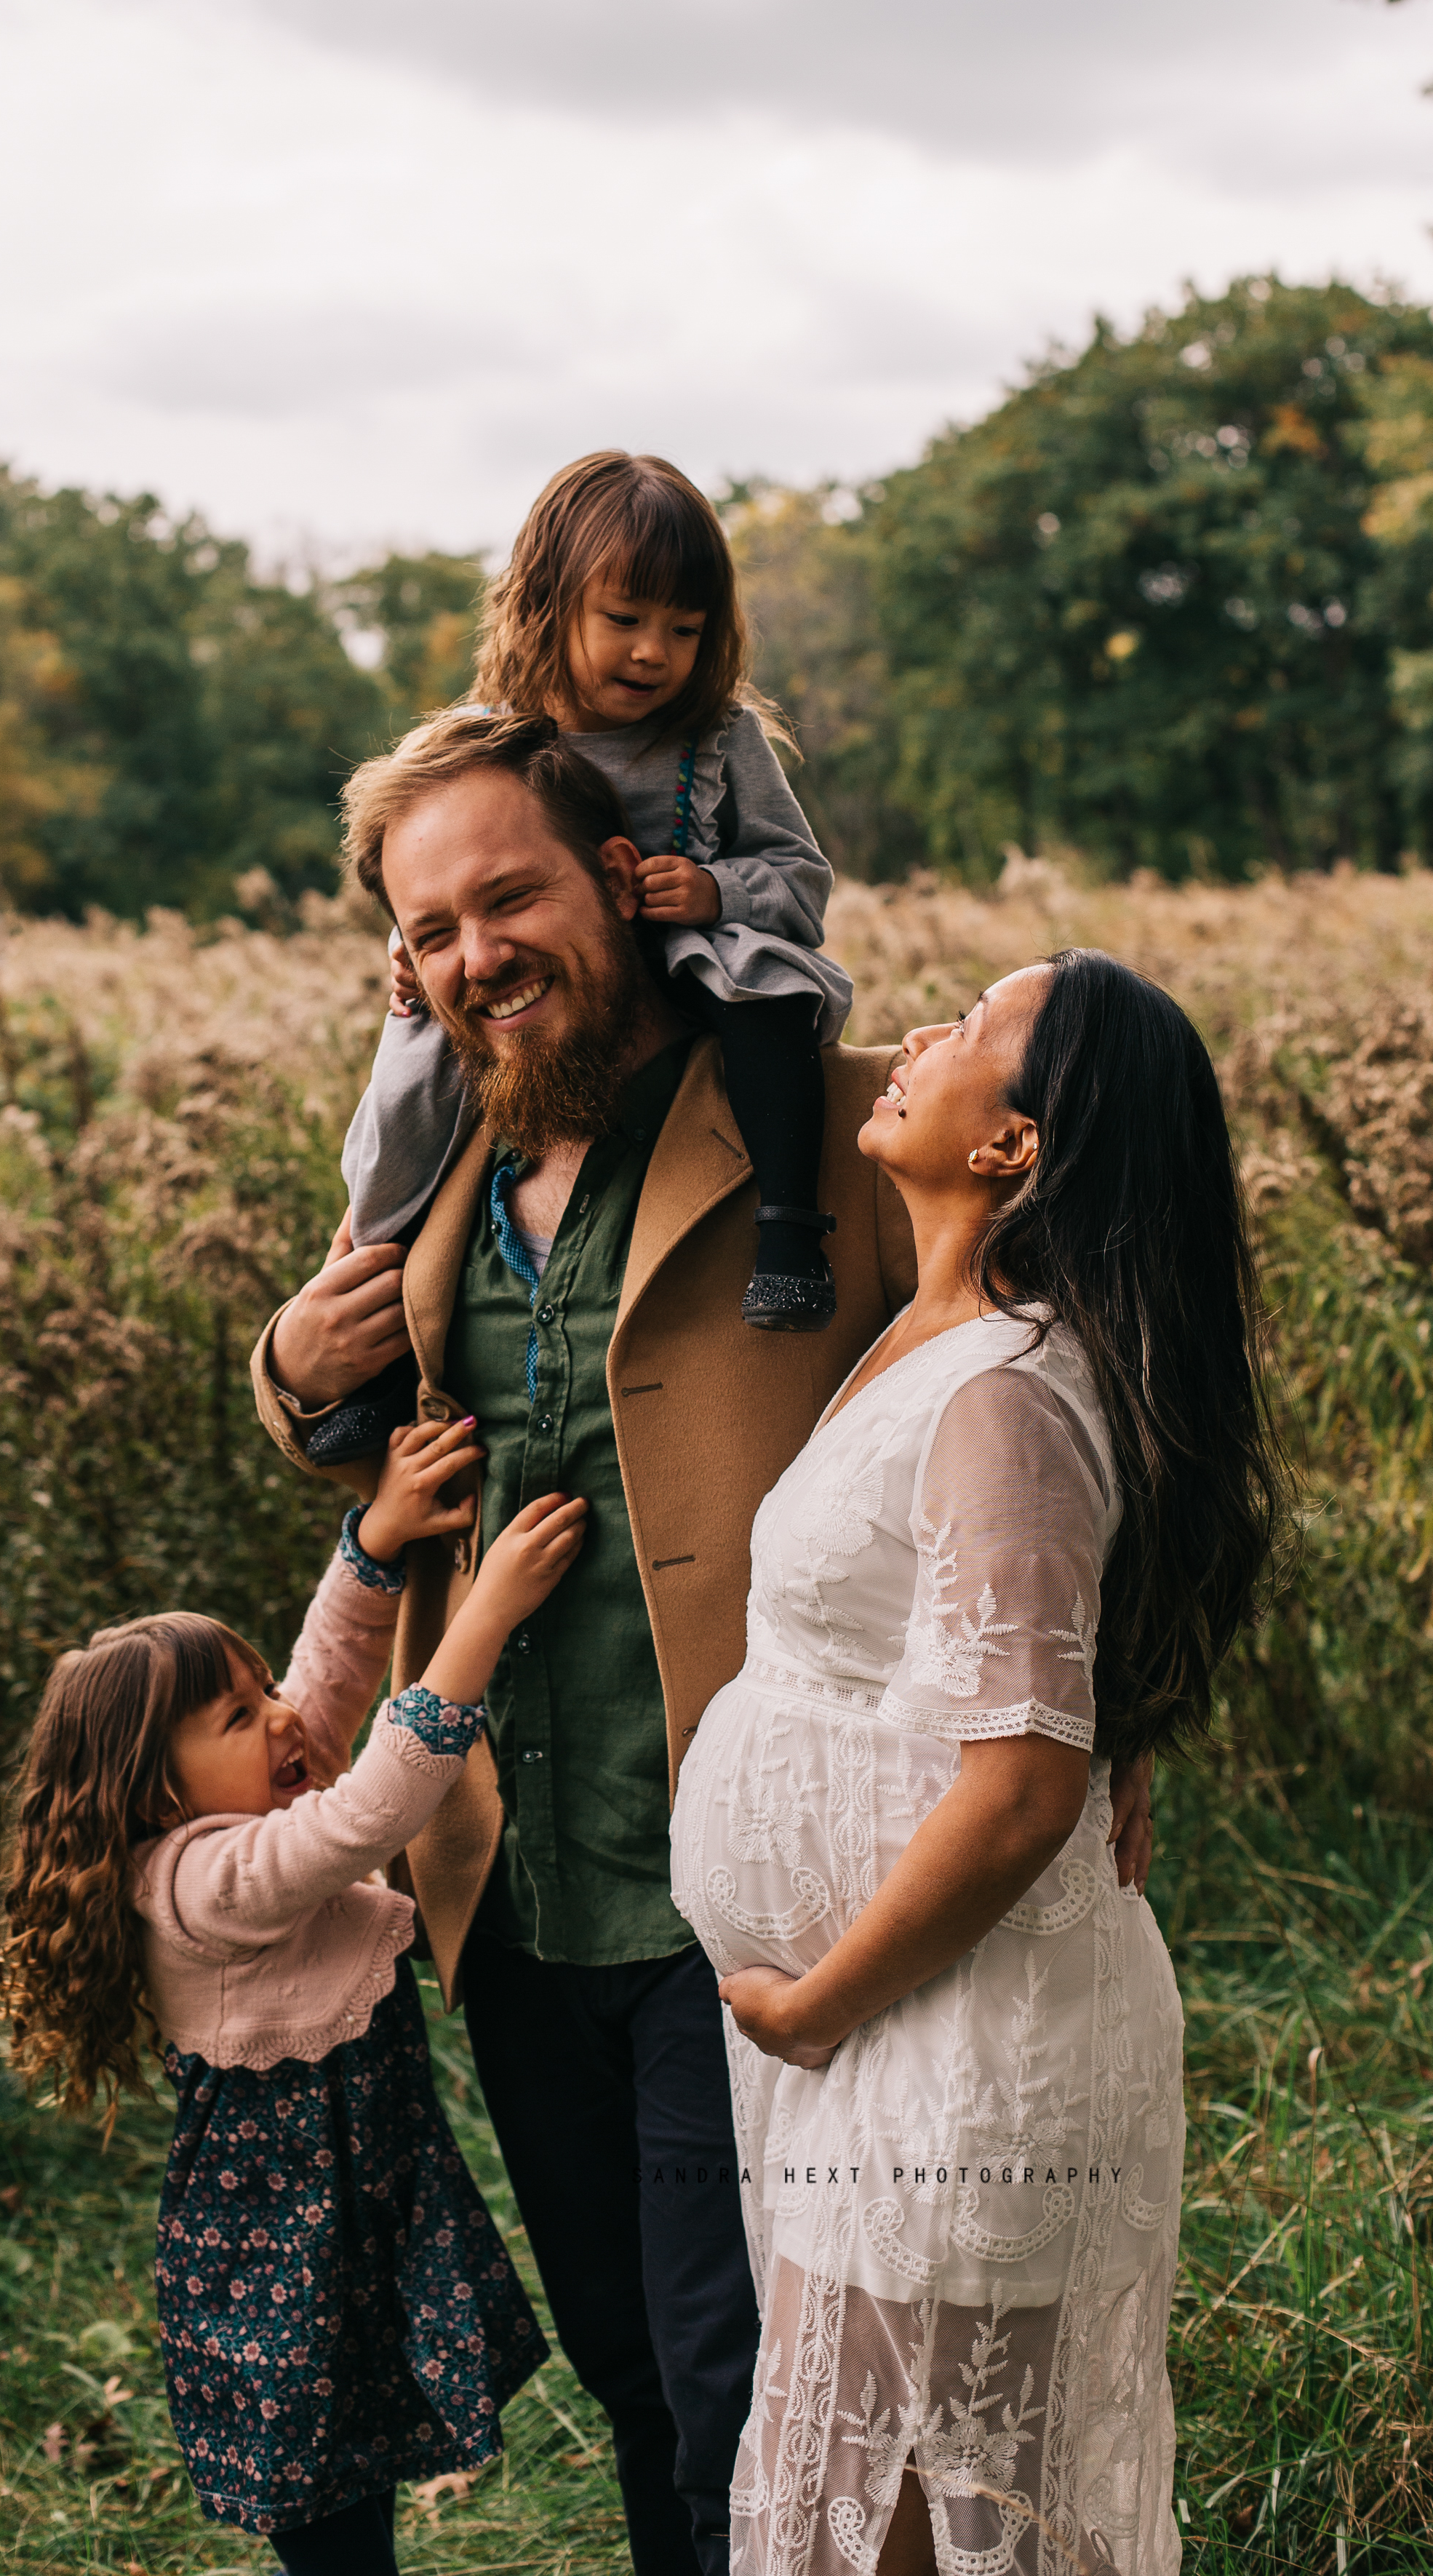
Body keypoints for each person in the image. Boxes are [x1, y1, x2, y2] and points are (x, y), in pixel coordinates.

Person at [250, 713, 1157, 2576]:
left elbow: (1072, 1405)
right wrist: (286, 1366)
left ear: (625, 876)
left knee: (737, 2375)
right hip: (501, 1874)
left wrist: (1120, 1721)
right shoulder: (442, 1164)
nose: (474, 954)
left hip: (740, 1896)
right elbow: (358, 1421)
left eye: (510, 895)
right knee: (629, 2371)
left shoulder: (829, 1122)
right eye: (430, 932)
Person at [670, 952, 1287, 2576]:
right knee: (888, 2522)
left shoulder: (1007, 1389)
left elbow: (1019, 1783)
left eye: (974, 1025)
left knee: (908, 2538)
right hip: (896, 2042)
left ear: (1019, 1142)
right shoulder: (932, 1339)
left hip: (949, 2052)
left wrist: (815, 2004)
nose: (922, 1034)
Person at [0, 1413, 589, 2575]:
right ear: (155, 1792)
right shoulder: (203, 1881)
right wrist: (483, 1615)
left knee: (353, 2457)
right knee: (321, 2502)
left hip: (355, 2197)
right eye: (235, 1717)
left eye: (257, 1690)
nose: (280, 1719)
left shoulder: (236, 1804)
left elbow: (327, 1678)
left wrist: (374, 1543)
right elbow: (373, 1808)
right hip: (280, 2232)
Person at [314, 450, 855, 1470]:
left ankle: (789, 1230)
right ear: (548, 603)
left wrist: (718, 890)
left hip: (680, 945)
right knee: (408, 1106)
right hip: (528, 988)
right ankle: (377, 1340)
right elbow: (431, 871)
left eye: (684, 630)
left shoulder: (717, 736)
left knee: (763, 990)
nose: (654, 653)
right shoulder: (490, 737)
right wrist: (408, 947)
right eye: (626, 619)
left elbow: (801, 878)